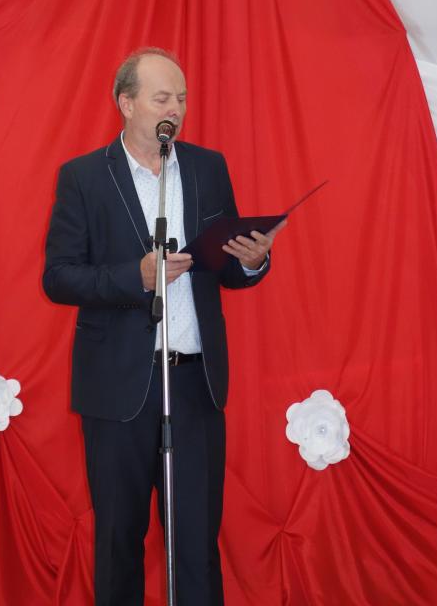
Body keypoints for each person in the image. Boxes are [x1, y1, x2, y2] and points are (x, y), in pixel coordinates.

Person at [43, 48, 284, 606]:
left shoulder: (208, 168)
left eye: (181, 98)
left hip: (195, 382)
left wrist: (252, 260)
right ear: (126, 104)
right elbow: (58, 277)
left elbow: (226, 268)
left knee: (197, 541)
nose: (175, 107)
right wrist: (137, 276)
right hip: (118, 386)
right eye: (162, 98)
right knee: (118, 541)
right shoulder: (83, 177)